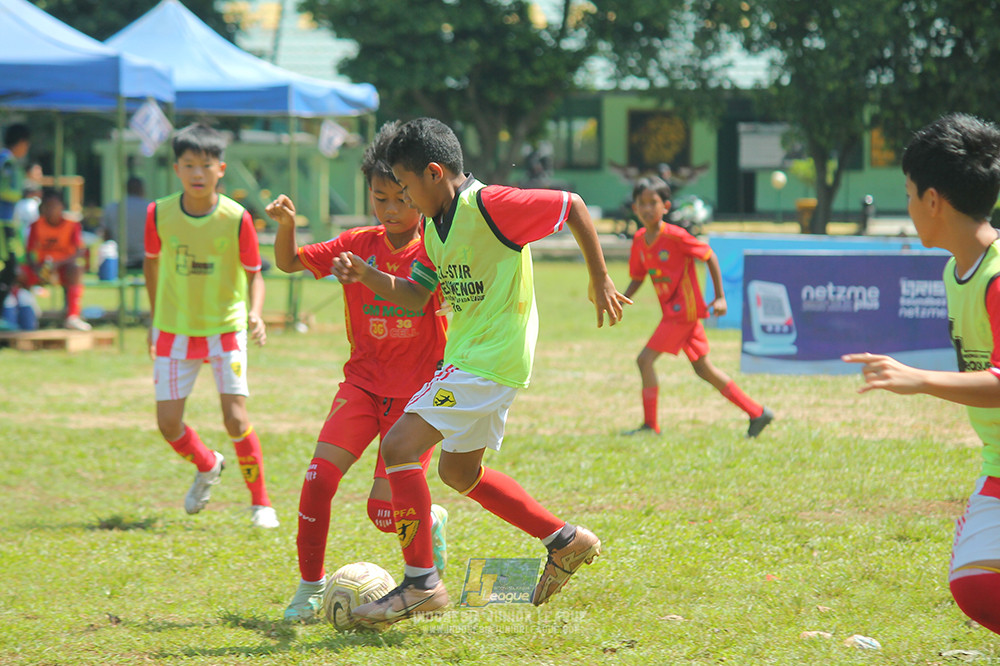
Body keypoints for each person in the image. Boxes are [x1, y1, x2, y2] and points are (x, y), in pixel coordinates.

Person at [331, 117, 629, 627]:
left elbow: (572, 205)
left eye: (406, 187)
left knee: (399, 446)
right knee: (458, 472)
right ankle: (565, 539)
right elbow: (417, 294)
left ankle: (421, 583)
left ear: (433, 172)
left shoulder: (491, 206)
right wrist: (367, 274)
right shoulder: (434, 228)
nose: (404, 200)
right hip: (473, 360)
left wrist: (599, 278)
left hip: (488, 361)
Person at [266, 121, 450, 622]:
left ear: (418, 193)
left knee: (383, 513)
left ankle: (428, 525)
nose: (390, 209)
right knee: (318, 478)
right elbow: (289, 262)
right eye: (379, 198)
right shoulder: (356, 242)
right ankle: (309, 587)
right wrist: (287, 226)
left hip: (416, 398)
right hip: (363, 387)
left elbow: (414, 300)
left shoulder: (435, 248)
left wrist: (368, 275)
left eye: (401, 198)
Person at [843, 112, 1000, 635]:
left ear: (933, 200)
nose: (907, 207)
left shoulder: (997, 277)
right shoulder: (957, 269)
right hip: (997, 462)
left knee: (974, 581)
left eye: (909, 194)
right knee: (972, 581)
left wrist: (920, 379)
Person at [143, 123, 277, 529]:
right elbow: (151, 265)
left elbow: (255, 273)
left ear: (221, 169)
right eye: (188, 165)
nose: (197, 173)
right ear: (176, 169)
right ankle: (207, 464)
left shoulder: (237, 217)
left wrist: (255, 312)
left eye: (206, 164)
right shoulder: (158, 213)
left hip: (225, 327)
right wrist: (154, 319)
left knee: (235, 418)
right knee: (168, 424)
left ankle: (261, 504)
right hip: (174, 329)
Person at [622, 176, 773, 437]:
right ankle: (757, 412)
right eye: (642, 203)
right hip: (675, 312)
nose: (647, 208)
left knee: (644, 360)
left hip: (684, 311)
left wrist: (720, 297)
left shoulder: (676, 236)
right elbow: (638, 276)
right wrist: (621, 298)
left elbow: (709, 256)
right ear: (634, 208)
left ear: (666, 206)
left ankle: (650, 426)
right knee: (703, 369)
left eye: (653, 202)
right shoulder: (639, 241)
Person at [21, 189, 91, 331]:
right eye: (48, 206)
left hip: (64, 267)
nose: (52, 209)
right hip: (42, 268)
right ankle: (24, 312)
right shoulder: (36, 225)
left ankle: (73, 316)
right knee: (18, 274)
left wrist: (59, 263)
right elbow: (28, 252)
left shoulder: (72, 225)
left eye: (55, 205)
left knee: (76, 270)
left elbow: (80, 251)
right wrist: (36, 268)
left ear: (62, 207)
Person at [0, 124, 30, 313]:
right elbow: (4, 190)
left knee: (10, 268)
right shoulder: (7, 161)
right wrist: (21, 193)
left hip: (7, 222)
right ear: (21, 142)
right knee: (9, 268)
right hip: (3, 223)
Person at [102, 176, 150, 270]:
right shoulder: (150, 208)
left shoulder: (111, 208)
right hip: (144, 258)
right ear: (142, 189)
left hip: (117, 258)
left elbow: (106, 236)